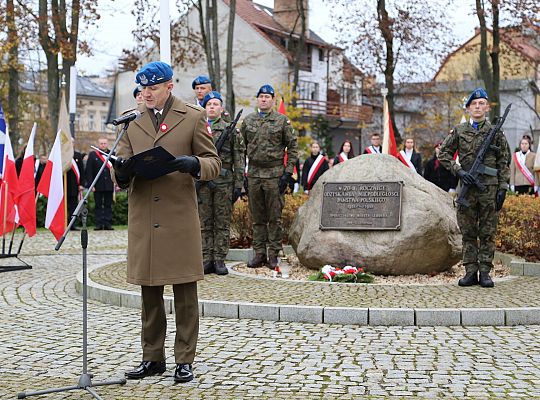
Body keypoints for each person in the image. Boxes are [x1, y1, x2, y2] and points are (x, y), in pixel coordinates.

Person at [113, 61, 221, 383]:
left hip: (178, 216)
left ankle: (184, 359)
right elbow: (122, 163)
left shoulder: (192, 116)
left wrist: (193, 164)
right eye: (143, 88)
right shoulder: (131, 121)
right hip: (145, 216)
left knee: (185, 293)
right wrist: (120, 172)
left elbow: (213, 163)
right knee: (149, 293)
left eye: (153, 88)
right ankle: (152, 358)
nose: (146, 93)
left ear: (169, 87)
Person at [438, 88, 510, 288]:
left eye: (481, 103)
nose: (477, 107)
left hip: (489, 189)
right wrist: (458, 171)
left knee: (488, 232)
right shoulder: (459, 131)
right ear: (468, 108)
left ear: (487, 107)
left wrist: (503, 187)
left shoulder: (495, 132)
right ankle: (470, 271)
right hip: (467, 190)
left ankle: (485, 272)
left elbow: (504, 161)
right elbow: (442, 153)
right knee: (468, 232)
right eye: (474, 104)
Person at [240, 84, 298, 269]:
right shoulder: (248, 121)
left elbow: (293, 147)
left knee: (274, 217)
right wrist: (243, 173)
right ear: (257, 99)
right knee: (257, 217)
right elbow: (240, 149)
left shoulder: (282, 121)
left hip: (274, 174)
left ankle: (273, 253)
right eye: (261, 96)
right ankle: (259, 253)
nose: (264, 99)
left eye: (268, 97)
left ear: (273, 100)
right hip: (255, 174)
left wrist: (287, 173)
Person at [198, 91, 245, 276]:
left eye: (215, 104)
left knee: (222, 222)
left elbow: (239, 159)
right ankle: (206, 259)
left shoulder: (231, 130)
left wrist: (238, 185)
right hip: (202, 181)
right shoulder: (198, 128)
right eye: (209, 104)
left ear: (221, 108)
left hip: (224, 182)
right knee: (204, 222)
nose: (212, 107)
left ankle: (219, 259)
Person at [86, 137, 115, 230]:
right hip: (97, 185)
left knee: (108, 205)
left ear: (107, 144)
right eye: (101, 143)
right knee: (98, 205)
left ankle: (108, 224)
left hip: (109, 184)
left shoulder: (112, 154)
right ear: (98, 144)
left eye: (105, 143)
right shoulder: (93, 155)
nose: (103, 145)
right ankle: (98, 224)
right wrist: (91, 185)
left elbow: (116, 170)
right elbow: (89, 171)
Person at [66, 143, 85, 230]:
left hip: (74, 186)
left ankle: (72, 225)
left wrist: (81, 184)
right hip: (64, 186)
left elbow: (81, 170)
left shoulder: (77, 155)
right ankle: (64, 224)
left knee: (73, 206)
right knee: (64, 206)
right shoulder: (62, 155)